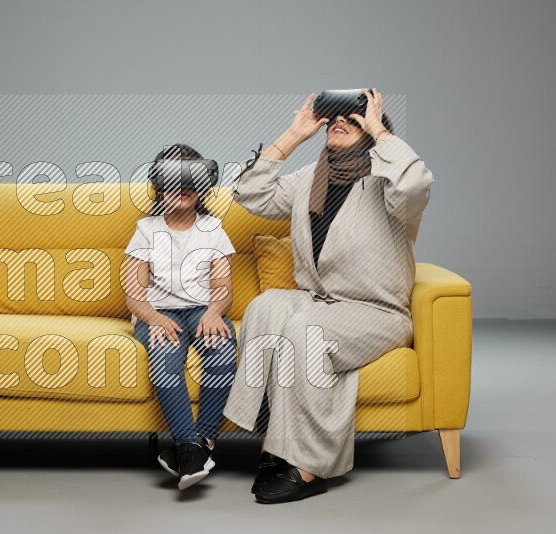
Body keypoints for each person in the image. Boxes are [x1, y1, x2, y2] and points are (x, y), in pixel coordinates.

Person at [223, 89, 434, 503]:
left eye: (354, 120)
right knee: (265, 307)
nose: (341, 121)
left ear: (374, 134)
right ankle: (272, 441)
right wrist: (294, 134)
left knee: (306, 331)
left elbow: (414, 184)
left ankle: (310, 465)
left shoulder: (390, 187)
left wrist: (377, 126)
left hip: (374, 311)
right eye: (336, 118)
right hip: (320, 300)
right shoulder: (309, 179)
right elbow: (248, 194)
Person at [123, 144, 238, 490]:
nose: (183, 186)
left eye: (192, 177)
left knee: (223, 350)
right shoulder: (146, 229)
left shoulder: (213, 229)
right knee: (165, 357)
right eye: (174, 178)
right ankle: (188, 445)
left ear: (201, 185)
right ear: (160, 185)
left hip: (203, 309)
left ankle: (198, 445)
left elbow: (223, 286)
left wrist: (215, 311)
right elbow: (134, 293)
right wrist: (153, 318)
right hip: (157, 312)